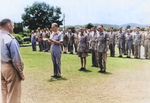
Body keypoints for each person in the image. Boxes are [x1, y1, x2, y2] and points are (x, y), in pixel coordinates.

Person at [0, 19, 25, 103]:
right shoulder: (10, 39)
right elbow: (16, 59)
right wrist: (21, 73)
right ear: (9, 25)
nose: (13, 28)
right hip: (11, 67)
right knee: (13, 96)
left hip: (2, 66)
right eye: (13, 26)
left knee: (4, 94)